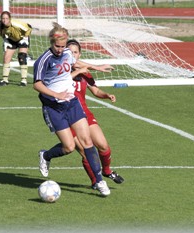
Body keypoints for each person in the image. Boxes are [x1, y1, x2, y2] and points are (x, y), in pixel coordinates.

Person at [33, 22, 114, 196]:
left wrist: (96, 67)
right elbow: (37, 85)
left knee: (87, 143)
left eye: (63, 46)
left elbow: (77, 62)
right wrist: (56, 94)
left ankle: (99, 181)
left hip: (72, 104)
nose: (60, 50)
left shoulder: (68, 52)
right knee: (69, 147)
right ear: (51, 42)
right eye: (57, 46)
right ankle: (46, 156)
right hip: (53, 107)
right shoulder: (43, 60)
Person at [66, 39, 125, 188]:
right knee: (86, 151)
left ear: (79, 54)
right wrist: (88, 68)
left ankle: (106, 171)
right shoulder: (62, 70)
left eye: (75, 52)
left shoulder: (85, 73)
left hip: (85, 114)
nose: (72, 55)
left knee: (103, 146)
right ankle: (96, 182)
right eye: (69, 52)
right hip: (67, 117)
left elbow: (95, 90)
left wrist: (107, 95)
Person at [0, 11, 32, 86]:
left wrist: (25, 37)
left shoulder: (16, 24)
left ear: (10, 19)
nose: (5, 20)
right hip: (11, 40)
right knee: (6, 58)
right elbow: (1, 34)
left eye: (6, 18)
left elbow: (29, 27)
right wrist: (5, 40)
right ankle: (5, 80)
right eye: (3, 18)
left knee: (21, 57)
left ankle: (23, 80)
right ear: (1, 19)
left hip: (22, 38)